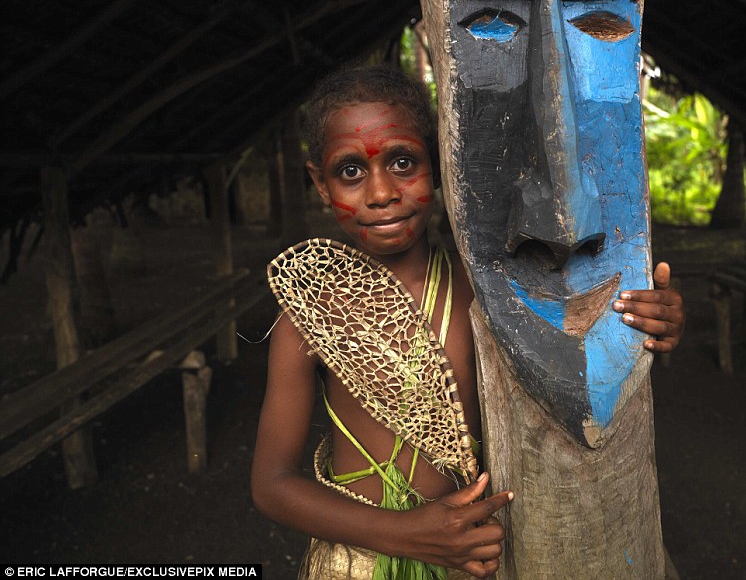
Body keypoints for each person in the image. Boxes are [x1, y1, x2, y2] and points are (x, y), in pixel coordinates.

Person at [250, 64, 685, 580]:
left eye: (403, 162)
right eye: (350, 172)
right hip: (359, 565)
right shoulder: (309, 313)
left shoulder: (485, 287)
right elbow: (272, 483)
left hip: (475, 560)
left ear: (437, 168)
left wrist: (649, 319)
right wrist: (407, 534)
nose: (382, 192)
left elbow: (586, 348)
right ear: (319, 185)